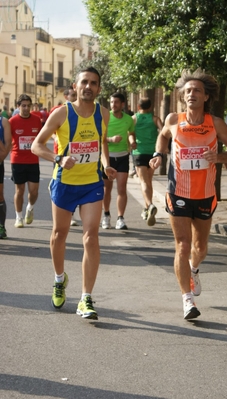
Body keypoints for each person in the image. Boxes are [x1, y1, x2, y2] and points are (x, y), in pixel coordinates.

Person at [149, 69, 227, 320]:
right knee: (182, 245)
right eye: (187, 90)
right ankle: (187, 300)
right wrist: (158, 154)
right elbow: (162, 137)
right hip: (177, 192)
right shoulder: (173, 120)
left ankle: (194, 268)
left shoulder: (216, 123)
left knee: (200, 248)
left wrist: (218, 157)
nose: (191, 94)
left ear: (206, 96)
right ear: (182, 95)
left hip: (205, 194)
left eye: (197, 90)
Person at [31, 67, 117, 320]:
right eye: (84, 82)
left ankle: (85, 298)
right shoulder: (61, 114)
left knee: (91, 236)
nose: (88, 87)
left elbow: (101, 142)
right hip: (65, 184)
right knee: (59, 235)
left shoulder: (103, 114)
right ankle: (59, 279)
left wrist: (106, 164)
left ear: (99, 88)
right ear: (75, 86)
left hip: (91, 183)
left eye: (94, 83)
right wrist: (58, 157)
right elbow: (37, 145)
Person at [101, 92, 136, 230]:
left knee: (122, 189)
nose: (113, 105)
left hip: (122, 157)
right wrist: (111, 139)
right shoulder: (105, 118)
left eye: (116, 102)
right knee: (107, 189)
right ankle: (106, 215)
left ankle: (120, 218)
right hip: (107, 158)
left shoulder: (128, 119)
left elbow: (131, 133)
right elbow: (100, 138)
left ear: (122, 104)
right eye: (111, 102)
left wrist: (132, 142)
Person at [9, 94, 42, 228]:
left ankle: (30, 207)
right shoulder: (12, 121)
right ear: (18, 106)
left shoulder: (37, 120)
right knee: (19, 190)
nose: (26, 108)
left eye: (28, 105)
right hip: (17, 160)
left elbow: (41, 138)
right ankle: (19, 217)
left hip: (33, 160)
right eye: (23, 106)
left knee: (34, 192)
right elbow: (6, 138)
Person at [132, 97, 163, 226]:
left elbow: (130, 132)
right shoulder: (155, 119)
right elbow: (163, 132)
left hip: (139, 152)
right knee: (149, 181)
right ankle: (147, 209)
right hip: (152, 153)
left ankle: (149, 205)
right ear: (150, 107)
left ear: (139, 107)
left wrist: (132, 141)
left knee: (143, 182)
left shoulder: (134, 118)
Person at [50, 86, 78, 226]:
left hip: (76, 155)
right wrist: (55, 136)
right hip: (59, 155)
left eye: (76, 95)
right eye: (73, 95)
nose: (75, 97)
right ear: (66, 97)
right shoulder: (57, 111)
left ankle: (71, 214)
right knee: (63, 183)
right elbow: (49, 129)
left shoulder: (81, 111)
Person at [0, 116, 12, 238]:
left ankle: (1, 226)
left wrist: (2, 158)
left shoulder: (3, 122)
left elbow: (8, 144)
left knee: (0, 195)